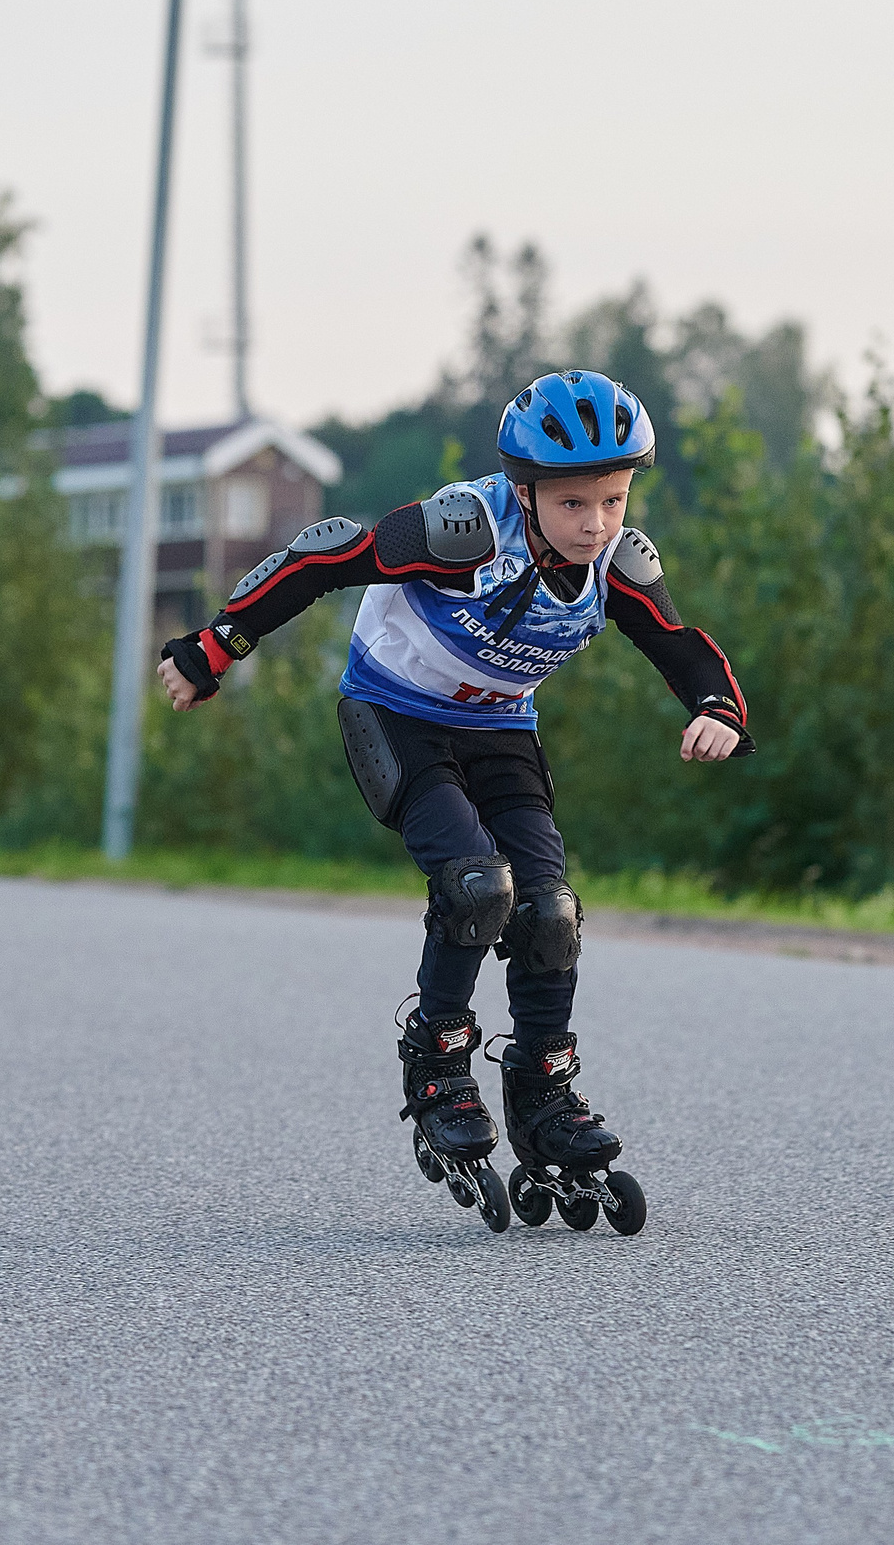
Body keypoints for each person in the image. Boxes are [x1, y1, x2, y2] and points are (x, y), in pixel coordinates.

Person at [157, 369, 752, 1234]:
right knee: (478, 885)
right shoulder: (461, 532)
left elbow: (683, 648)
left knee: (550, 911)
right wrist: (215, 646)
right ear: (526, 489)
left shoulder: (615, 565)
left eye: (615, 499)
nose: (596, 524)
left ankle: (545, 1091)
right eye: (574, 503)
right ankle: (437, 1062)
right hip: (393, 711)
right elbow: (325, 553)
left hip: (501, 727)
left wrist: (718, 707)